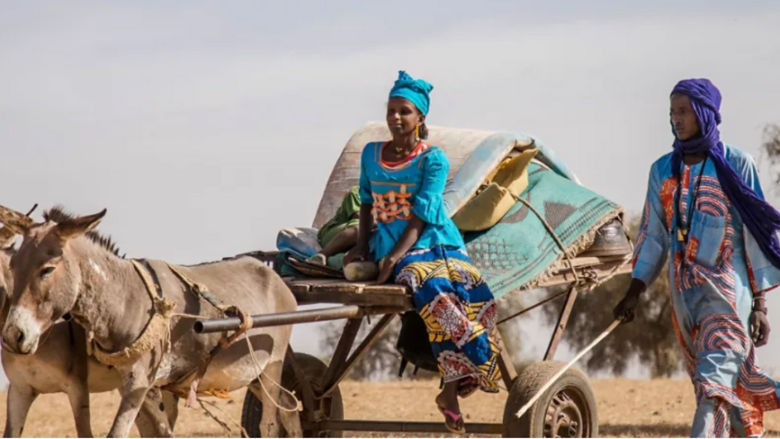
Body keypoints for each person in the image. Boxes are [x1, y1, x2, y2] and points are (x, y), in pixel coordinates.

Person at [614, 78, 780, 437]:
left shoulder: (737, 164)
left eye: (683, 111)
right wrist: (634, 291)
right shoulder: (662, 170)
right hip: (685, 300)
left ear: (704, 113)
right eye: (671, 111)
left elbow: (756, 234)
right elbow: (653, 235)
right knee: (721, 391)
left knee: (713, 386)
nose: (675, 119)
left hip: (729, 298)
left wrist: (760, 305)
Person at [344, 70, 501, 434]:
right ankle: (477, 358)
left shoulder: (434, 160)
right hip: (395, 242)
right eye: (391, 110)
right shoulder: (371, 154)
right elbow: (366, 203)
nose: (395, 118)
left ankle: (451, 390)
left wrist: (394, 258)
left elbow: (422, 214)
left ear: (420, 117)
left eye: (404, 111)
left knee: (475, 291)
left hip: (436, 239)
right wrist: (364, 249)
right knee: (432, 290)